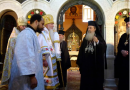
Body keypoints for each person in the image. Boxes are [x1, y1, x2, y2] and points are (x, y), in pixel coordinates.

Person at [8, 14, 45, 90]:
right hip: (27, 78)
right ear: (36, 22)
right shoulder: (26, 34)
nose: (43, 27)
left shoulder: (31, 33)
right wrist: (32, 76)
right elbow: (25, 55)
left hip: (30, 76)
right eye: (42, 24)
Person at [76, 21, 106, 90]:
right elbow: (81, 51)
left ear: (95, 29)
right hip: (86, 67)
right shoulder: (85, 39)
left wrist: (97, 42)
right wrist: (80, 63)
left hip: (95, 67)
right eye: (88, 28)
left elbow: (104, 48)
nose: (89, 29)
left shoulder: (99, 38)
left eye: (90, 28)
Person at [1, 16, 27, 86]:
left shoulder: (22, 34)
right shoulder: (14, 36)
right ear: (19, 26)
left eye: (25, 26)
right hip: (15, 60)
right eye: (23, 26)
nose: (24, 28)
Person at [37, 14, 60, 90]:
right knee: (47, 75)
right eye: (51, 24)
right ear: (46, 24)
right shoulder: (42, 33)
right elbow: (41, 47)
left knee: (53, 74)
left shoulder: (49, 33)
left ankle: (52, 87)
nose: (53, 25)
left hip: (51, 58)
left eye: (53, 24)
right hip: (47, 59)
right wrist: (44, 59)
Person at [114, 17, 129, 90]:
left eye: (129, 24)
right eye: (127, 24)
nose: (128, 26)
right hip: (124, 64)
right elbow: (119, 46)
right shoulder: (123, 36)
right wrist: (121, 51)